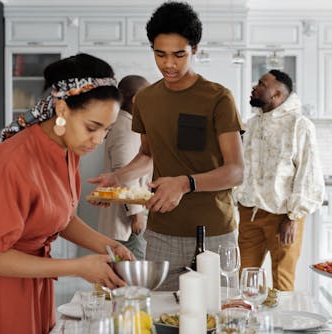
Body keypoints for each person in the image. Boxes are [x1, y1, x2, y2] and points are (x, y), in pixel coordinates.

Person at [0, 53, 135, 334]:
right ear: (62, 110)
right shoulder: (14, 161)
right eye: (92, 128)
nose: (98, 140)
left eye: (106, 130)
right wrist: (77, 267)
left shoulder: (67, 151)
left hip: (30, 283)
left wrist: (109, 245)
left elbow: (58, 217)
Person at [88, 1, 244, 290]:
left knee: (220, 318)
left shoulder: (218, 98)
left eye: (178, 55)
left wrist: (186, 183)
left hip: (214, 232)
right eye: (160, 54)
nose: (168, 64)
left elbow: (236, 171)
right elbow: (148, 153)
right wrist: (117, 178)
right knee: (161, 318)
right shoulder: (145, 100)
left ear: (194, 49)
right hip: (161, 233)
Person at [234, 69, 325, 291]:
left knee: (283, 282)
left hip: (283, 216)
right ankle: (248, 324)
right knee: (244, 281)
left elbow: (308, 173)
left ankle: (283, 326)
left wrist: (293, 217)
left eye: (262, 84)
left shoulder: (299, 125)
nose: (255, 87)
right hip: (249, 213)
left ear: (277, 94)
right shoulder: (252, 124)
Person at [98, 75, 151, 260]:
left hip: (122, 218)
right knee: (133, 278)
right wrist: (136, 215)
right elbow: (126, 173)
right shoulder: (127, 128)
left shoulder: (121, 122)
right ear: (136, 99)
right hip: (127, 224)